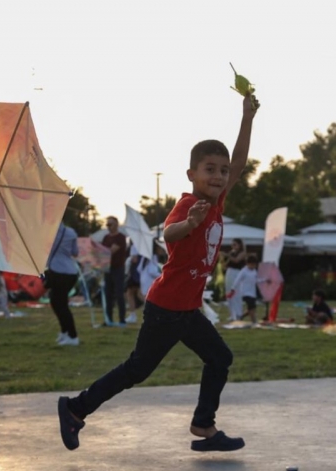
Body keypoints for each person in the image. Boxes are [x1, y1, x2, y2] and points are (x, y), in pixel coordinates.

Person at [57, 93, 259, 453]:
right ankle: (75, 408)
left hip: (185, 310)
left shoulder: (217, 200)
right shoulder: (188, 205)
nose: (219, 176)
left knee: (219, 358)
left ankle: (203, 424)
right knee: (137, 370)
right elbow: (168, 234)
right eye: (210, 169)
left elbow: (240, 160)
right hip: (167, 310)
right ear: (192, 174)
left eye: (222, 171)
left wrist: (247, 117)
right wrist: (189, 223)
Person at [46, 222, 80, 346]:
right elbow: (75, 252)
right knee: (57, 303)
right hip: (71, 272)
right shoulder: (71, 232)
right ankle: (65, 332)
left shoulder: (48, 232)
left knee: (60, 305)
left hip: (57, 271)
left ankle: (72, 335)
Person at [102, 216, 127, 325]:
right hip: (108, 269)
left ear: (116, 225)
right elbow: (102, 252)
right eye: (107, 225)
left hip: (118, 269)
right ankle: (109, 319)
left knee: (119, 294)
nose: (108, 227)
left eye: (110, 224)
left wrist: (102, 252)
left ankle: (122, 319)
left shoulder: (121, 238)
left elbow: (111, 251)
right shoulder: (105, 238)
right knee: (108, 294)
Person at [227, 254, 259, 324]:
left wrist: (265, 280)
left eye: (254, 265)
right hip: (246, 293)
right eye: (252, 264)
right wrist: (232, 289)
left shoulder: (254, 271)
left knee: (252, 308)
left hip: (253, 293)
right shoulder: (244, 271)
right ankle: (254, 321)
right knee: (251, 308)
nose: (253, 266)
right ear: (248, 263)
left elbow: (257, 280)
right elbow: (237, 280)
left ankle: (241, 316)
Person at [222, 239, 247, 321]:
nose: (233, 246)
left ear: (239, 245)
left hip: (237, 273)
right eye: (232, 245)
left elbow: (236, 260)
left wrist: (227, 255)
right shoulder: (231, 252)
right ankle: (232, 314)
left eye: (235, 244)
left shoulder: (242, 253)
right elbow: (226, 265)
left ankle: (238, 313)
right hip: (229, 272)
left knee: (236, 293)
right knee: (229, 293)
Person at [125, 245, 143, 324]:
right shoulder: (145, 245)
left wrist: (129, 259)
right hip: (141, 273)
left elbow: (134, 259)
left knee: (130, 293)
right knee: (139, 293)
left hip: (135, 273)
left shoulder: (134, 246)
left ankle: (133, 315)